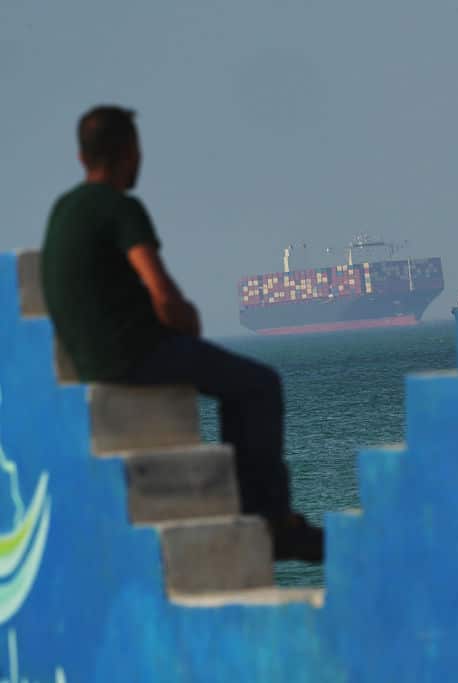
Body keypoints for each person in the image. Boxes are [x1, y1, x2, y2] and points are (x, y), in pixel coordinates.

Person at [41, 105, 323, 563]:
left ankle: (260, 513)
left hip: (89, 357)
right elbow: (161, 292)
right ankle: (272, 520)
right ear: (130, 152)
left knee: (237, 383)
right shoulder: (121, 207)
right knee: (258, 385)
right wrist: (185, 318)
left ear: (81, 157)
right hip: (135, 353)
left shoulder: (63, 209)